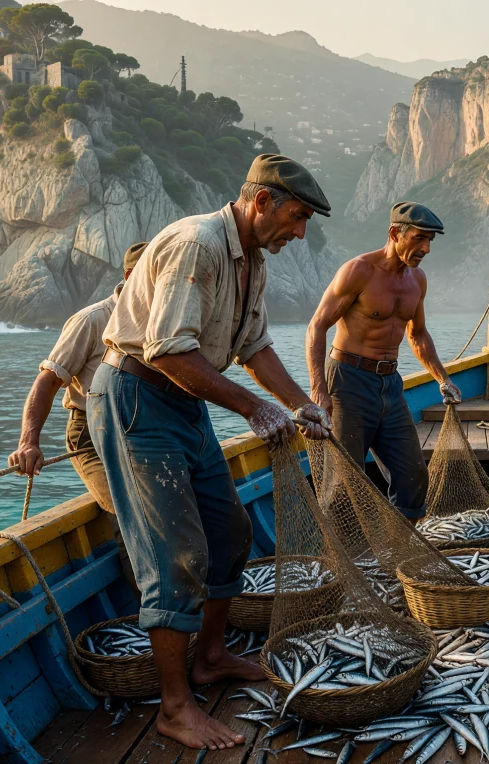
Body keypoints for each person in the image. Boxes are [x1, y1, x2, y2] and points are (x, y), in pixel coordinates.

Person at [89, 154, 334, 751]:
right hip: (138, 398)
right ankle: (176, 708)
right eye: (298, 217)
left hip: (186, 403)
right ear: (261, 202)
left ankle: (211, 657)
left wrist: (303, 405)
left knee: (229, 534)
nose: (300, 233)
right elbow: (169, 352)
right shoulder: (197, 244)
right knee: (177, 554)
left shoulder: (252, 262)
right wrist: (255, 409)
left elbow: (255, 348)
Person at [306, 202, 460, 519]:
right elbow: (317, 325)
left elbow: (417, 336)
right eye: (419, 238)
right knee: (343, 484)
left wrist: (443, 379)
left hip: (390, 385)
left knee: (413, 476)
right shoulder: (358, 271)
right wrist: (319, 391)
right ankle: (344, 563)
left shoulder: (417, 281)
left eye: (430, 241)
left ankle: (402, 553)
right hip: (348, 381)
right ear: (394, 233)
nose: (426, 248)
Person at [8, 242, 148, 511]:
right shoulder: (92, 320)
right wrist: (28, 443)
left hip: (139, 428)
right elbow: (48, 380)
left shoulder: (158, 321)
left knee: (171, 501)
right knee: (128, 508)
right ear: (130, 277)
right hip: (90, 434)